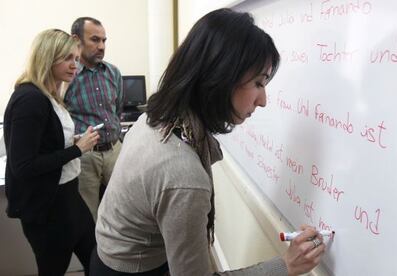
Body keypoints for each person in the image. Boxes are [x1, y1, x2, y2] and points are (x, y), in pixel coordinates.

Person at [90, 8, 326, 276]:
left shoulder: (158, 117)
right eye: (259, 83)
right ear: (221, 77)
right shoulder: (182, 173)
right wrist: (285, 266)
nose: (263, 100)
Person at [3, 29, 99, 276]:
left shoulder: (50, 95)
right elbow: (23, 166)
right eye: (67, 58)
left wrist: (72, 142)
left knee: (97, 260)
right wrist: (77, 150)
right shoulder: (30, 100)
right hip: (47, 208)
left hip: (68, 196)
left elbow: (46, 142)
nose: (74, 65)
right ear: (47, 57)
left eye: (76, 58)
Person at [64, 17, 124, 221]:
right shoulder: (67, 76)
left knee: (123, 207)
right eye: (95, 40)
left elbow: (118, 110)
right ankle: (95, 253)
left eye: (104, 41)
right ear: (76, 40)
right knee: (88, 215)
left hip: (114, 150)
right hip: (85, 156)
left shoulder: (112, 72)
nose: (101, 46)